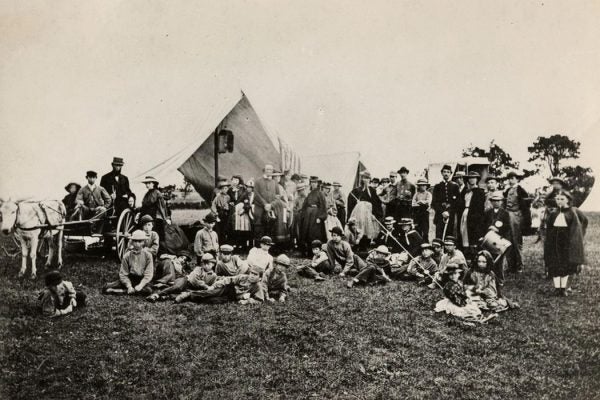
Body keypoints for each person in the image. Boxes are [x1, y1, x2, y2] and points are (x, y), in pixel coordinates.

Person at [544, 191, 587, 297]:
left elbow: (576, 230)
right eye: (557, 199)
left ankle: (563, 288)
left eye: (562, 199)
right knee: (554, 264)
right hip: (554, 243)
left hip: (566, 244)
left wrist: (572, 242)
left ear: (568, 200)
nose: (559, 201)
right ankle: (556, 288)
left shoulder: (572, 213)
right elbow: (549, 228)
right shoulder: (553, 213)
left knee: (564, 265)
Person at [147, 253, 219, 302]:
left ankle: (165, 297)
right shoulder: (198, 269)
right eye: (204, 263)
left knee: (186, 294)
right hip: (186, 281)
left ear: (213, 264)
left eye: (208, 263)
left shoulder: (213, 275)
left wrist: (210, 287)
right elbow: (194, 280)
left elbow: (213, 285)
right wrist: (205, 286)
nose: (206, 266)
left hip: (192, 288)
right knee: (177, 287)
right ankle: (156, 295)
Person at [103, 230, 154, 295]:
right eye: (135, 241)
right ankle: (128, 289)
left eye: (140, 241)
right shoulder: (127, 255)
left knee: (148, 291)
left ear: (143, 242)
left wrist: (140, 285)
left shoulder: (148, 255)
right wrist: (129, 286)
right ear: (132, 242)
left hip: (141, 279)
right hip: (130, 278)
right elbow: (123, 273)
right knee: (106, 287)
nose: (137, 244)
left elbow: (148, 274)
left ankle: (121, 291)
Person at [182, 265, 265, 305]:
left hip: (232, 297)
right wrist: (214, 286)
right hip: (228, 289)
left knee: (213, 301)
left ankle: (190, 299)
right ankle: (188, 294)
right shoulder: (243, 277)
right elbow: (228, 279)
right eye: (251, 273)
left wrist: (247, 301)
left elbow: (260, 300)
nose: (252, 276)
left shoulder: (257, 286)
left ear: (260, 278)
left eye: (255, 274)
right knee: (211, 293)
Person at [503, 171, 531, 273]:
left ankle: (519, 265)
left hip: (516, 217)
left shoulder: (521, 190)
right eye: (509, 178)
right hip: (507, 216)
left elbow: (526, 206)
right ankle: (511, 265)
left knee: (516, 241)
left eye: (512, 178)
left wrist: (525, 221)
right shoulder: (507, 190)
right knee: (508, 240)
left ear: (517, 179)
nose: (510, 180)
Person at [483, 193, 512, 286]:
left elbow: (507, 227)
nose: (496, 203)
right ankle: (489, 279)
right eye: (494, 201)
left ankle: (499, 280)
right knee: (488, 259)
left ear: (501, 202)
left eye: (498, 201)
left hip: (500, 239)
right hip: (489, 238)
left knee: (499, 261)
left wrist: (498, 230)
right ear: (491, 202)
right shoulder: (487, 212)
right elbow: (483, 225)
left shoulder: (505, 213)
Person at [347, 171, 382, 242]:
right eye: (364, 178)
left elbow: (376, 203)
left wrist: (376, 214)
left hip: (369, 215)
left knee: (368, 230)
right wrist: (357, 203)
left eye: (368, 178)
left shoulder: (372, 191)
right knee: (359, 229)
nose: (366, 180)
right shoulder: (355, 191)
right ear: (361, 179)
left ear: (370, 180)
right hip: (358, 216)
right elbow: (350, 203)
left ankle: (367, 243)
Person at [457, 171, 486, 256]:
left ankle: (474, 254)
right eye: (470, 178)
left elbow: (480, 208)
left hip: (474, 216)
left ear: (477, 180)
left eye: (474, 178)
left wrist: (475, 217)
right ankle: (466, 252)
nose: (472, 180)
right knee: (463, 232)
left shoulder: (480, 192)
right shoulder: (465, 192)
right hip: (464, 213)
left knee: (473, 234)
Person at [253, 164, 282, 242]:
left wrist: (271, 205)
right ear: (264, 170)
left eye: (271, 170)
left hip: (271, 208)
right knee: (259, 227)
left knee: (271, 227)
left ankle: (269, 247)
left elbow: (278, 196)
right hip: (260, 207)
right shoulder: (258, 181)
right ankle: (258, 247)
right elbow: (256, 194)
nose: (269, 171)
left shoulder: (274, 182)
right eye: (267, 169)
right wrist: (265, 204)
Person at [432, 165, 461, 240]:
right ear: (441, 173)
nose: (446, 174)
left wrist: (449, 212)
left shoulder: (455, 186)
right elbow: (434, 202)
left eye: (448, 172)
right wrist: (442, 212)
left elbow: (457, 202)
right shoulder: (437, 186)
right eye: (444, 172)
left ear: (450, 174)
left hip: (450, 216)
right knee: (439, 235)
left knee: (449, 235)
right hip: (439, 215)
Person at [300, 176, 327, 255]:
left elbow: (323, 206)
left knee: (314, 233)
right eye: (312, 182)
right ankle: (308, 251)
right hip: (308, 216)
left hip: (316, 215)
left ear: (317, 183)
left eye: (315, 182)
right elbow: (305, 204)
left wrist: (320, 217)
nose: (313, 184)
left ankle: (315, 252)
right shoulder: (309, 194)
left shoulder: (320, 194)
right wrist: (303, 214)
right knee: (307, 233)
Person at [140, 176, 168, 241]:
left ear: (153, 184)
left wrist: (165, 217)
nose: (147, 185)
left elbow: (162, 206)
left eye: (149, 183)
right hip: (147, 214)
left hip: (154, 216)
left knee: (156, 234)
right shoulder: (147, 193)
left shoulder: (157, 192)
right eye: (146, 183)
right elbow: (144, 205)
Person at [228, 175, 251, 250]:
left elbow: (247, 202)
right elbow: (228, 199)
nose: (235, 182)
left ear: (239, 181)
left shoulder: (244, 190)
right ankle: (233, 245)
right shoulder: (229, 190)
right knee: (233, 228)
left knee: (242, 228)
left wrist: (244, 209)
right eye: (233, 180)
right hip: (232, 212)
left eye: (237, 180)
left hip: (241, 213)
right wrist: (230, 203)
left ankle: (242, 245)